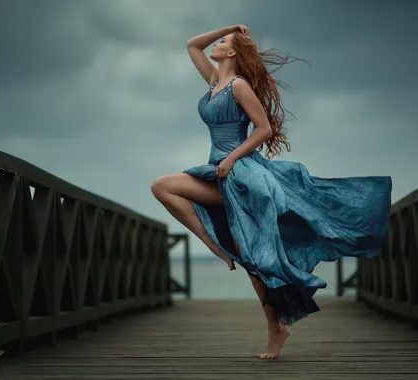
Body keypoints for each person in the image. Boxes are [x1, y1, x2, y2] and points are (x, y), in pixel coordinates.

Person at [151, 24, 392, 359]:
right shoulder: (213, 81)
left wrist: (233, 158)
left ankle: (275, 327)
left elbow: (263, 128)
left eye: (222, 42)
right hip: (217, 172)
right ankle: (215, 247)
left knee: (256, 260)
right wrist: (232, 28)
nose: (215, 45)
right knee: (163, 186)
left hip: (242, 174)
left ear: (232, 52)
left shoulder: (238, 86)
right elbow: (193, 44)